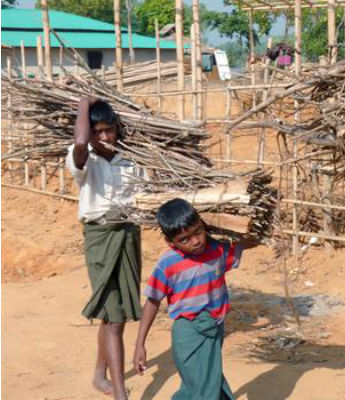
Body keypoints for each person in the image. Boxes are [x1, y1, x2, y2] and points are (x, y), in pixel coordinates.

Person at [67, 98, 146, 400]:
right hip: (100, 238)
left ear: (117, 128)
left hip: (128, 236)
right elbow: (79, 141)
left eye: (109, 130)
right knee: (115, 317)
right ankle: (120, 394)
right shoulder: (83, 159)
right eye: (97, 132)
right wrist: (84, 102)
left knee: (116, 310)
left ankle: (100, 376)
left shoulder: (133, 159)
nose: (104, 137)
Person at [133, 198, 247, 400]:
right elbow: (152, 301)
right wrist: (140, 344)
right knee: (204, 388)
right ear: (171, 242)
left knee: (202, 383)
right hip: (189, 333)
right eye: (184, 239)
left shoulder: (217, 250)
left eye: (198, 231)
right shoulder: (168, 264)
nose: (196, 241)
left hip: (215, 328)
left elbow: (248, 239)